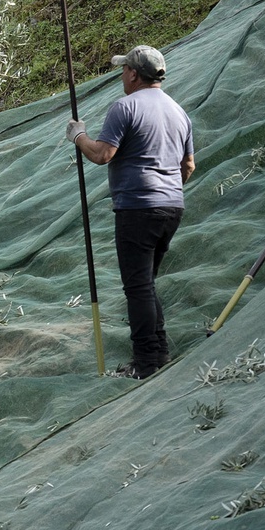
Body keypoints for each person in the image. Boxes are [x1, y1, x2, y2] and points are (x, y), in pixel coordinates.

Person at [68, 44, 196, 379]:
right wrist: (168, 188)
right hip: (172, 207)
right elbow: (189, 166)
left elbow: (103, 154)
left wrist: (79, 137)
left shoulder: (125, 108)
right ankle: (160, 352)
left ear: (134, 74)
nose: (121, 74)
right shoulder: (179, 112)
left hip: (138, 207)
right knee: (146, 283)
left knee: (137, 286)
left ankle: (144, 363)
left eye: (124, 69)